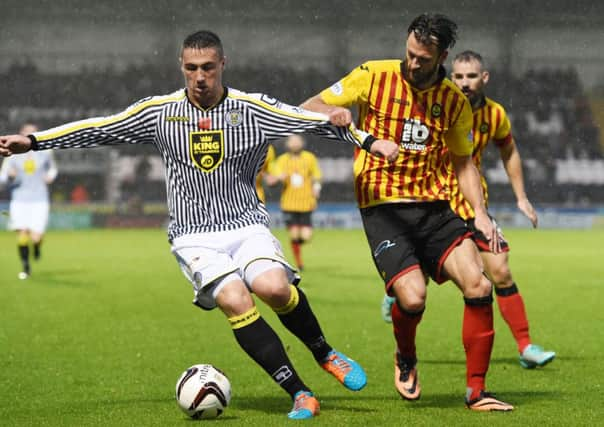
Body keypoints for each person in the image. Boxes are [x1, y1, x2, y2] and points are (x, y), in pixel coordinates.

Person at [0, 31, 398, 420]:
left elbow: (307, 120)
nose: (200, 76)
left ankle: (325, 353)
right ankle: (300, 392)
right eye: (191, 68)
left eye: (208, 66)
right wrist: (34, 142)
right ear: (181, 67)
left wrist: (366, 139)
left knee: (274, 287)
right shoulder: (159, 112)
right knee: (235, 300)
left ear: (223, 64)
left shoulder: (251, 109)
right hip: (194, 235)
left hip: (246, 224)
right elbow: (99, 127)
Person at [302, 14, 513, 411]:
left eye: (424, 59)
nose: (414, 64)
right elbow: (307, 106)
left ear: (442, 56)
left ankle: (476, 392)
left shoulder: (453, 100)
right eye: (411, 54)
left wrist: (480, 214)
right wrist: (337, 116)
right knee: (413, 299)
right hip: (383, 207)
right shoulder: (372, 75)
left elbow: (464, 163)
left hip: (435, 208)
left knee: (480, 285)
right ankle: (406, 356)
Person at [449, 50, 555, 368]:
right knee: (416, 283)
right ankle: (400, 291)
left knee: (501, 271)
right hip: (435, 202)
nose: (464, 83)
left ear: (485, 78)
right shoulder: (438, 107)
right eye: (458, 76)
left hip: (474, 204)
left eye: (471, 76)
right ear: (450, 77)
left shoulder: (495, 114)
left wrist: (521, 197)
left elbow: (509, 150)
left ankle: (525, 347)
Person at [0, 123, 57, 279]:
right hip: (20, 199)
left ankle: (37, 247)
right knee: (22, 232)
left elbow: (53, 169)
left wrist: (50, 176)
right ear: (21, 133)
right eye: (27, 132)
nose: (30, 134)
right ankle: (26, 267)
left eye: (33, 132)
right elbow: (3, 177)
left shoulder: (45, 151)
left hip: (39, 199)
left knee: (36, 237)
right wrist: (10, 176)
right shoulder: (13, 152)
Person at [273, 135, 322, 270]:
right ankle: (299, 263)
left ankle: (296, 247)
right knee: (294, 234)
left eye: (297, 141)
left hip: (306, 202)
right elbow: (275, 177)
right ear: (288, 144)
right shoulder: (282, 160)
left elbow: (316, 175)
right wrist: (278, 178)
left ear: (302, 143)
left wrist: (316, 189)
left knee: (306, 236)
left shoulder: (309, 158)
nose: (295, 144)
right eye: (292, 141)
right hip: (289, 203)